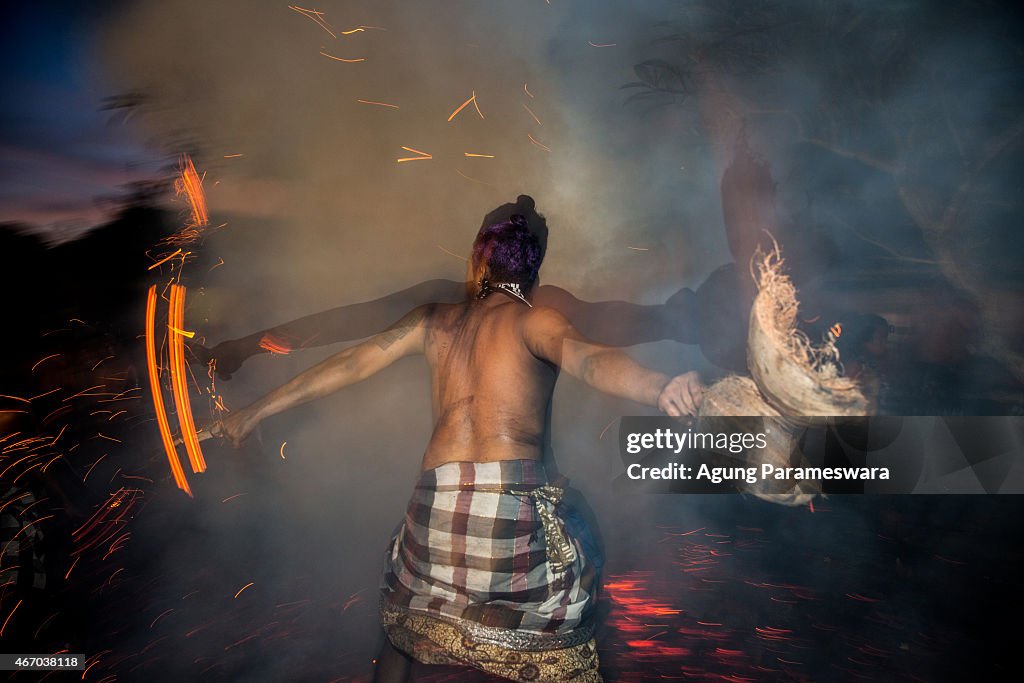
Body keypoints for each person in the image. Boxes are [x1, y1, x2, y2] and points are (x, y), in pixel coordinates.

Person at [213, 214, 703, 682]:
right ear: (533, 272)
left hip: (432, 513)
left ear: (477, 264)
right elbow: (592, 361)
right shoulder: (536, 320)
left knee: (401, 621)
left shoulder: (434, 320)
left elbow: (348, 364)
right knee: (581, 570)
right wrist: (660, 388)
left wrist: (254, 411)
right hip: (507, 517)